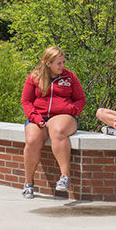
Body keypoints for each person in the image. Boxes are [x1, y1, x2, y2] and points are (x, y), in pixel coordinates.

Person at [21, 46, 86, 199]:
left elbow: (81, 100)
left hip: (63, 116)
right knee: (32, 140)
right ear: (48, 63)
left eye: (63, 62)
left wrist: (71, 109)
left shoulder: (70, 77)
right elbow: (26, 101)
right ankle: (28, 183)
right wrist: (36, 118)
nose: (62, 66)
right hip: (38, 117)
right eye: (59, 63)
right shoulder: (34, 77)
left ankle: (65, 176)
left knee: (57, 131)